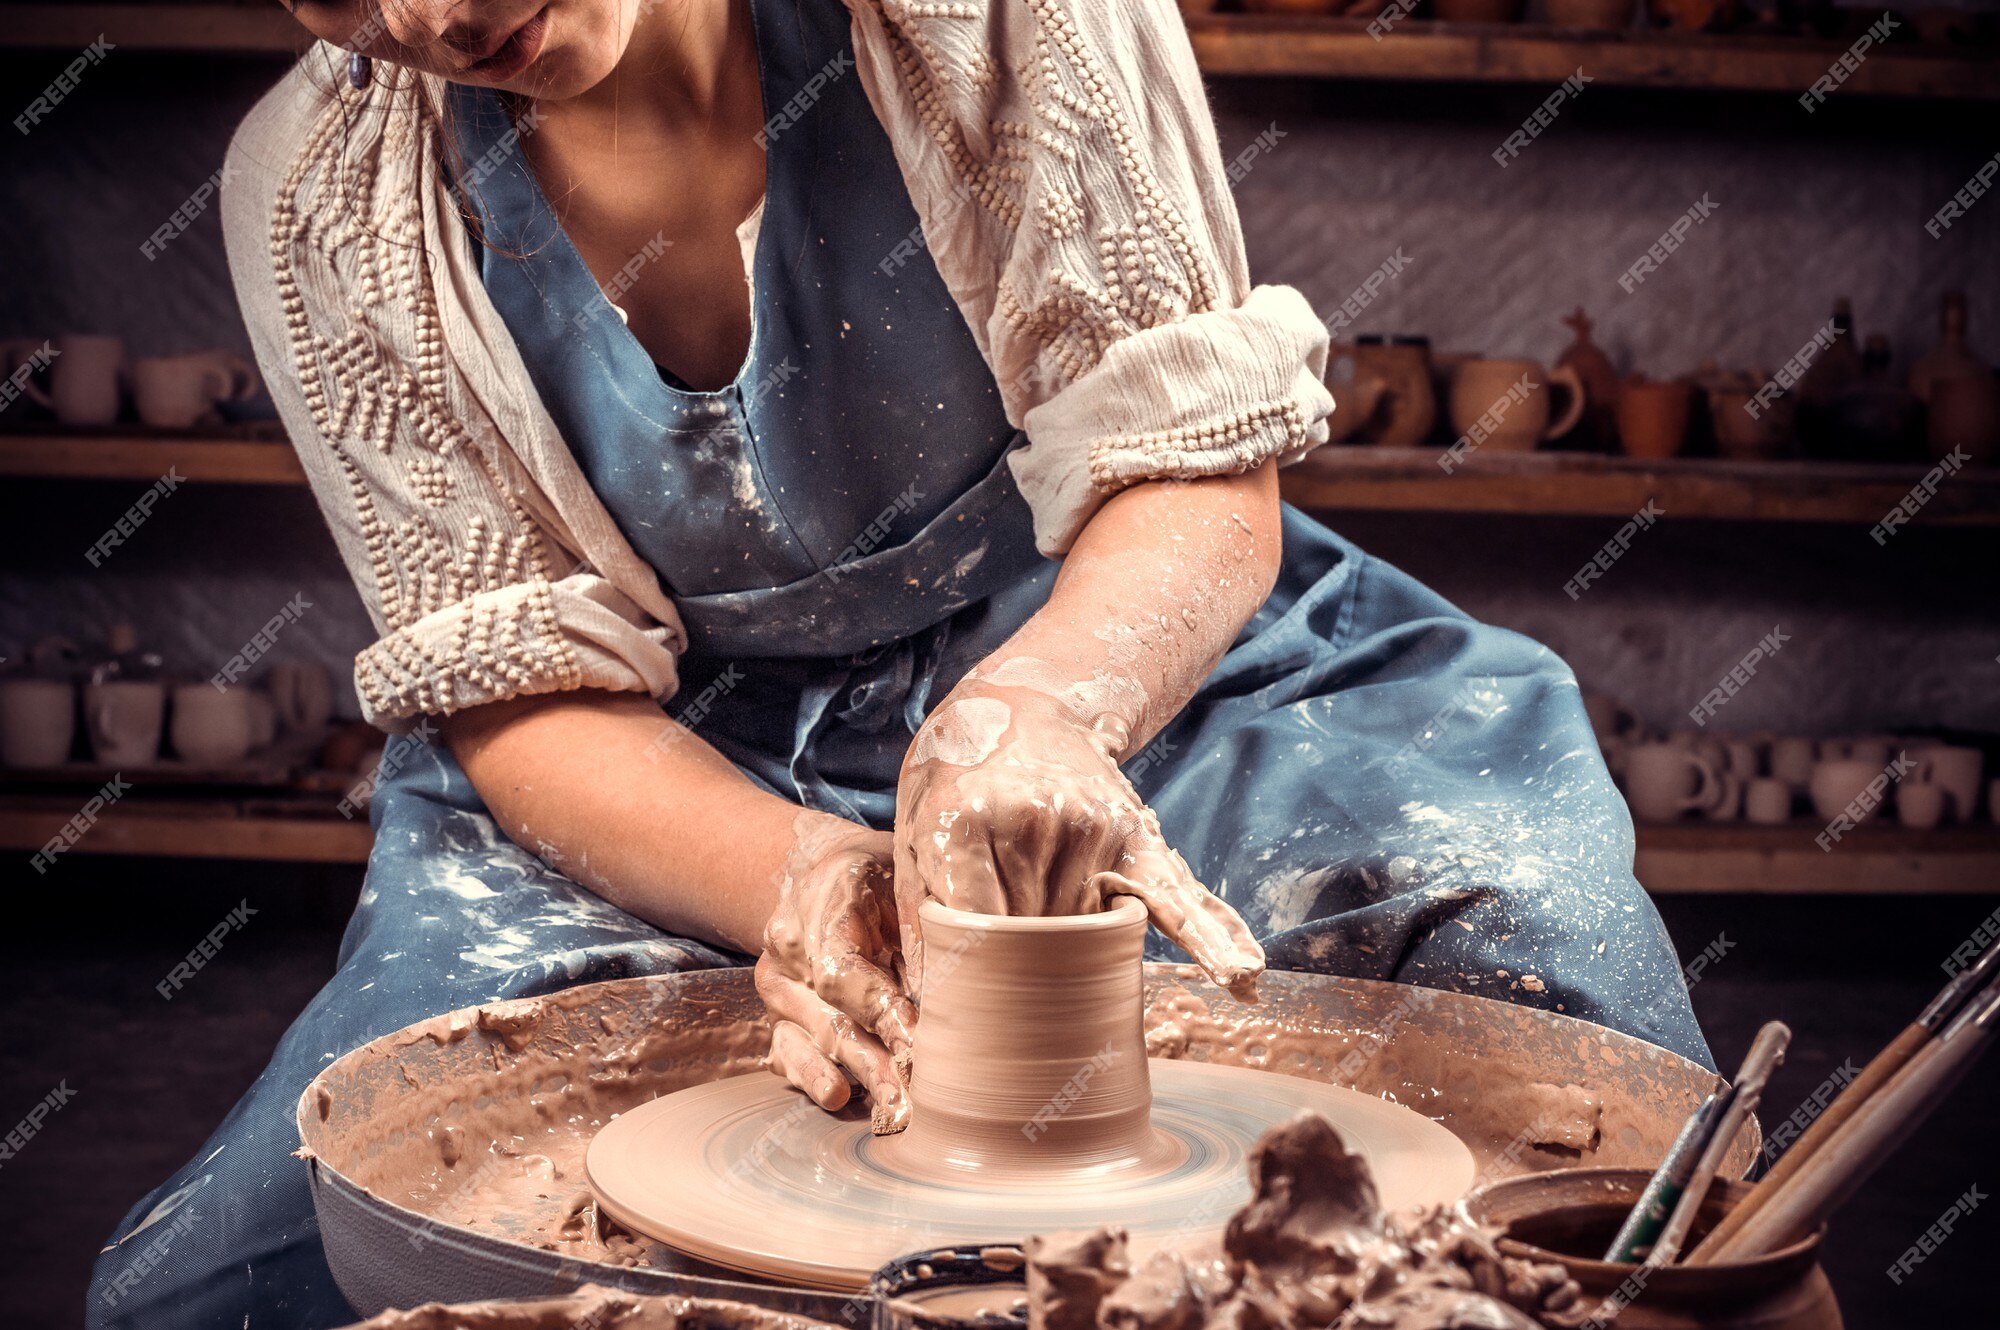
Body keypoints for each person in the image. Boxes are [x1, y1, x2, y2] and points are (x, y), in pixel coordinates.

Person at [89, 0, 1709, 1323]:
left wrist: (1036, 709)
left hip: (1106, 633)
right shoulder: (321, 182)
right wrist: (793, 874)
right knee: (234, 1273)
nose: (431, 14)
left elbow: (1197, 476)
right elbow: (523, 686)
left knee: (1539, 963)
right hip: (654, 748)